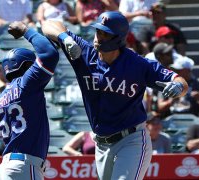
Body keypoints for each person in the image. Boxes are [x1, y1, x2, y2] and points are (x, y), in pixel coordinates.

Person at [42, 11, 188, 180]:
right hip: (102, 143)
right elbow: (48, 24)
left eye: (105, 33)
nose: (98, 36)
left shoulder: (137, 64)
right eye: (98, 31)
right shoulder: (84, 53)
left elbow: (180, 81)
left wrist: (177, 86)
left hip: (131, 139)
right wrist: (64, 38)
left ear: (118, 39)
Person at [0, 21, 59, 179]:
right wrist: (26, 31)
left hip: (6, 168)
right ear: (26, 66)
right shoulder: (27, 84)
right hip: (25, 167)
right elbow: (49, 54)